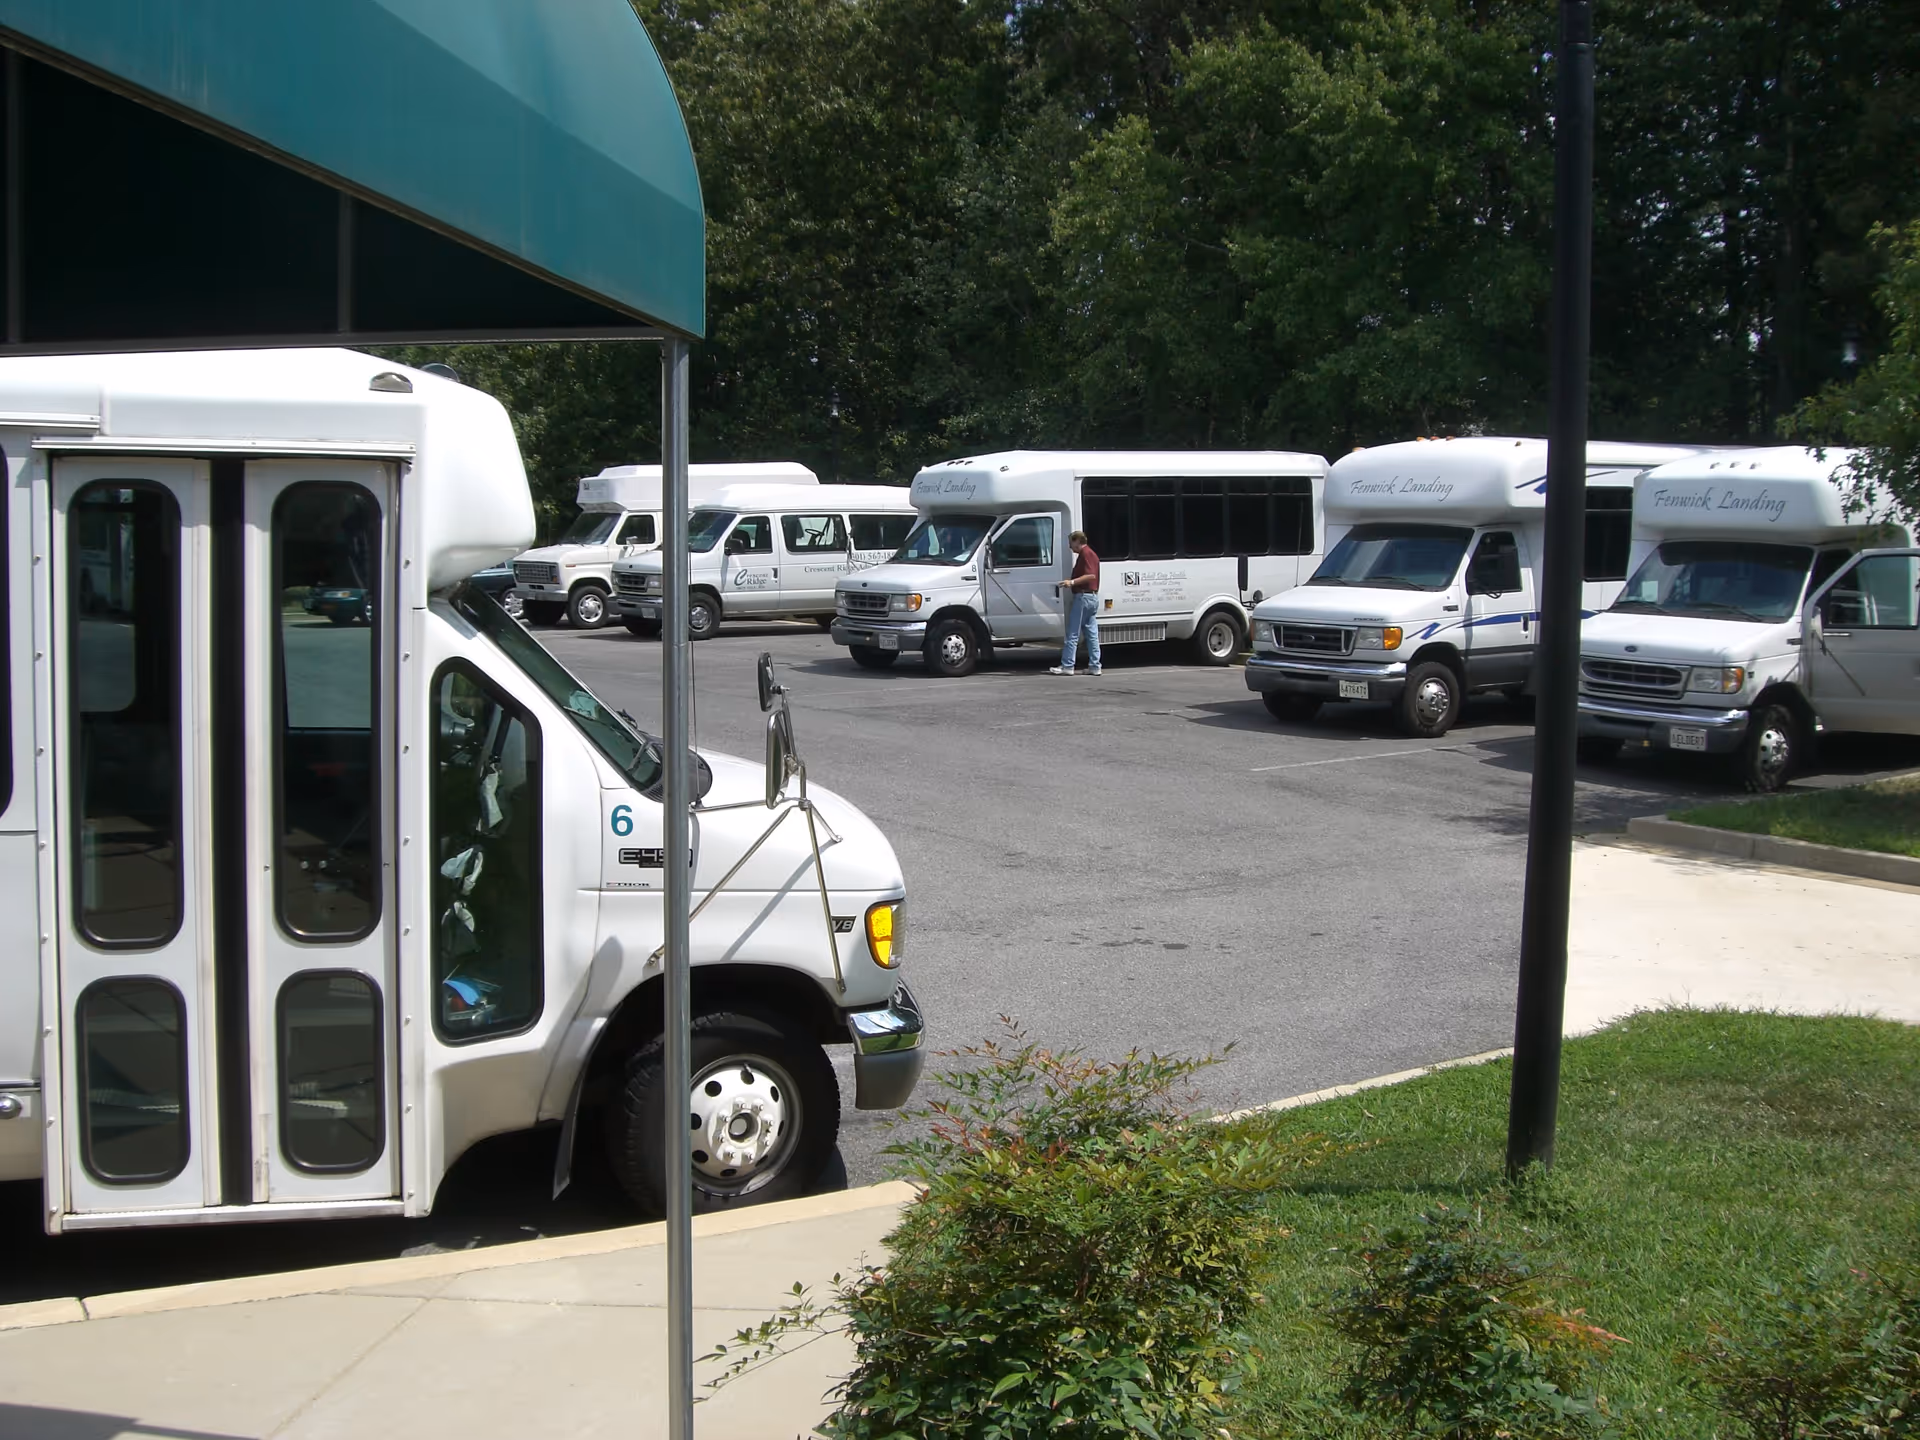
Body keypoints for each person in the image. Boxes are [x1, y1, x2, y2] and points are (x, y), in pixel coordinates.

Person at [1049, 531, 1102, 675]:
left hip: (1083, 597)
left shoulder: (1086, 554)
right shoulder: (1090, 554)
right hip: (1091, 598)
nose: (1070, 547)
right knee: (1091, 633)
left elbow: (1090, 575)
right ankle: (1095, 666)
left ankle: (1067, 665)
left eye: (1071, 543)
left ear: (1077, 541)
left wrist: (1071, 582)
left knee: (1073, 632)